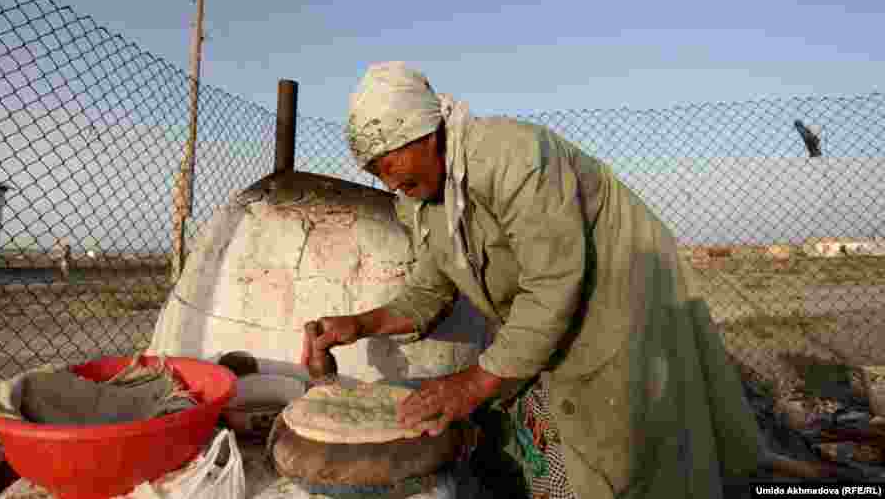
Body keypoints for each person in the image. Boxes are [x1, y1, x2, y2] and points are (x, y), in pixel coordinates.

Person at [300, 62, 766, 498]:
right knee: (554, 427)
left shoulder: (513, 157)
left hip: (621, 300)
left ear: (422, 134)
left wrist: (475, 381)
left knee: (635, 449)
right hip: (551, 314)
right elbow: (429, 291)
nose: (386, 182)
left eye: (385, 164)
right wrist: (360, 324)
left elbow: (553, 283)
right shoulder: (420, 200)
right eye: (373, 171)